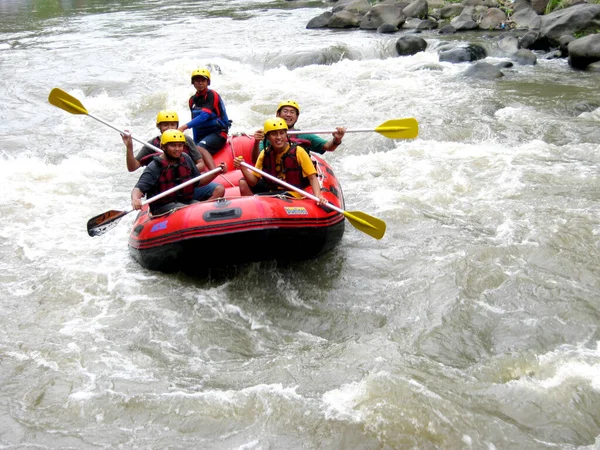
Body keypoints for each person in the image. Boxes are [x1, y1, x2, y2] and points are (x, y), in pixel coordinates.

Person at [127, 130, 225, 216]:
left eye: (180, 145)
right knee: (191, 210)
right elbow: (139, 188)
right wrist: (136, 199)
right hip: (163, 206)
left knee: (202, 208)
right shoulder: (155, 166)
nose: (177, 149)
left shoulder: (185, 158)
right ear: (163, 147)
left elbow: (198, 182)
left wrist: (216, 172)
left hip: (185, 201)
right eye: (173, 145)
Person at [234, 118, 326, 205]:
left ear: (286, 135)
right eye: (274, 134)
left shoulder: (299, 152)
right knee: (245, 184)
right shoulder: (264, 153)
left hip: (293, 193)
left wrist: (318, 195)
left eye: (281, 133)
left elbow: (312, 178)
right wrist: (243, 168)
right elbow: (253, 182)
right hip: (273, 191)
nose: (278, 137)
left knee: (258, 198)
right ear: (268, 137)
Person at [251, 100, 346, 163]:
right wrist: (256, 142)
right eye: (285, 111)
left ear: (297, 117)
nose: (288, 115)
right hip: (275, 177)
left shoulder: (303, 136)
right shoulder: (270, 136)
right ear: (278, 114)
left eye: (292, 112)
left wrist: (337, 139)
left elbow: (328, 147)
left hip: (299, 178)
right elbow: (256, 160)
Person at [125, 110, 218, 173]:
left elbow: (201, 164)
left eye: (173, 125)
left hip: (186, 180)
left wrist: (185, 173)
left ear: (177, 126)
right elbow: (132, 167)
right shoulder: (152, 144)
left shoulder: (186, 140)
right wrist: (129, 147)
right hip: (165, 186)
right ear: (159, 127)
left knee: (217, 189)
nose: (169, 128)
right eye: (165, 125)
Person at [178, 68, 231, 156]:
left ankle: (213, 168)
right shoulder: (192, 100)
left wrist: (184, 127)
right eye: (197, 80)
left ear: (208, 82)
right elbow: (195, 125)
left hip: (218, 134)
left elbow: (204, 116)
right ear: (193, 82)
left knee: (200, 149)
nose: (200, 83)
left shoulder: (212, 95)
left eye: (203, 80)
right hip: (202, 136)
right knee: (192, 152)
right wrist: (195, 143)